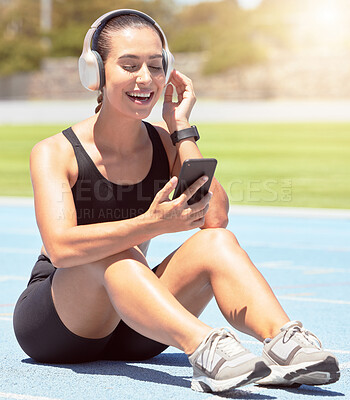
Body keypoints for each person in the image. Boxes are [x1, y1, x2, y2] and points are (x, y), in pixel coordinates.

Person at [13, 9, 340, 393]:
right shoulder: (55, 152)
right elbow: (62, 248)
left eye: (155, 66)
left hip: (137, 325)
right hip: (58, 326)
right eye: (129, 65)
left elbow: (215, 218)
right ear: (96, 73)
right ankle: (207, 348)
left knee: (216, 242)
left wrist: (181, 129)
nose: (145, 78)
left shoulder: (165, 143)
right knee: (119, 254)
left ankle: (285, 345)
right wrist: (149, 225)